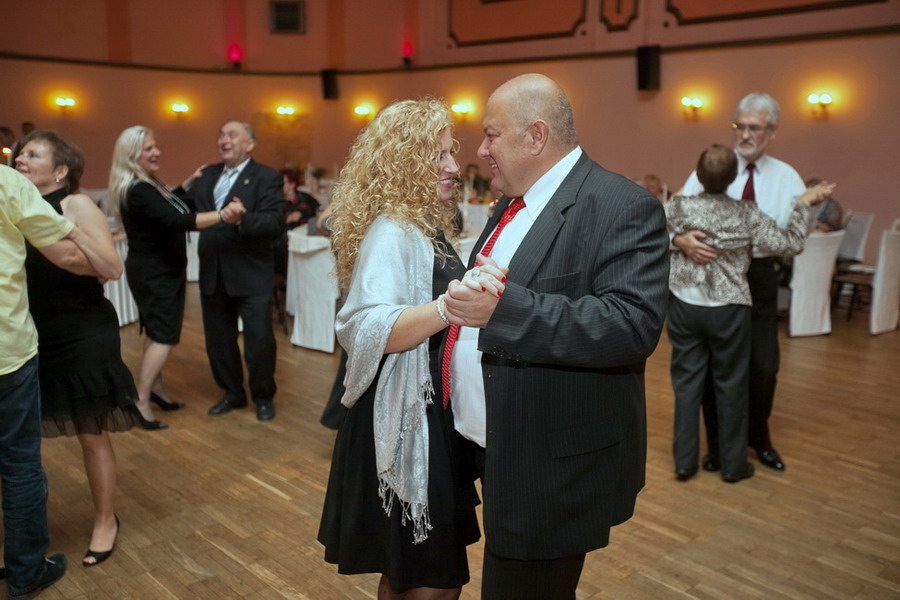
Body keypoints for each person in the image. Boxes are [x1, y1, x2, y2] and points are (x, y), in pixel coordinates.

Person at [442, 73, 670, 599]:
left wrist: (502, 310)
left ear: (536, 135)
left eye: (491, 135)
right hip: (485, 442)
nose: (482, 150)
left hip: (547, 464)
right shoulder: (512, 201)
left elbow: (631, 324)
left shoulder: (621, 205)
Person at [318, 99, 486, 599]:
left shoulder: (420, 226)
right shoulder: (393, 229)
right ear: (405, 162)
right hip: (404, 420)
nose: (453, 166)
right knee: (435, 582)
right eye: (439, 156)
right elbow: (366, 326)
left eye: (451, 153)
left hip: (425, 414)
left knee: (407, 572)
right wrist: (450, 306)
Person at [666, 144, 832, 483]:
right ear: (732, 179)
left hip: (683, 304)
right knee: (730, 385)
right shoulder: (746, 212)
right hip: (728, 309)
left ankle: (684, 462)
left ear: (699, 176)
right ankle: (733, 465)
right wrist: (802, 204)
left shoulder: (678, 207)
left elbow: (647, 228)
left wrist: (678, 239)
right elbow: (790, 244)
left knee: (686, 386)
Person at [15, 130, 138, 567]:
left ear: (61, 170)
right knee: (23, 437)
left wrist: (70, 240)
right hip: (35, 332)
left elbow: (108, 267)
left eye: (33, 154)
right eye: (20, 153)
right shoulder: (17, 206)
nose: (20, 159)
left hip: (84, 329)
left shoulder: (75, 204)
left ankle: (106, 520)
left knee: (91, 431)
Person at [676, 93, 805, 473]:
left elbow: (792, 234)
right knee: (714, 371)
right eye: (741, 126)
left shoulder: (787, 177)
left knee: (763, 369)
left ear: (772, 131)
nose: (746, 134)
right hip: (712, 278)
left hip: (760, 276)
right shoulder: (712, 167)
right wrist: (680, 240)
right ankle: (718, 448)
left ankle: (758, 439)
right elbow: (673, 215)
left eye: (755, 128)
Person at [0, 164, 99, 597]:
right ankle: (25, 573)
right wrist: (106, 262)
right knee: (20, 466)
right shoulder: (6, 183)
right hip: (7, 350)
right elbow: (65, 251)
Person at [108, 126, 245, 429]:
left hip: (157, 270)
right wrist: (222, 215)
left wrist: (187, 183)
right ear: (131, 156)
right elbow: (177, 219)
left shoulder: (146, 183)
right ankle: (141, 400)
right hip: (155, 273)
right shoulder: (138, 189)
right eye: (148, 149)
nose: (156, 152)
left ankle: (155, 390)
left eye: (154, 146)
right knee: (164, 336)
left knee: (156, 332)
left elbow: (168, 204)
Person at [179, 121, 284, 421]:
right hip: (213, 274)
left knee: (259, 343)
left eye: (232, 135)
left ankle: (263, 396)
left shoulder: (266, 177)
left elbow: (274, 222)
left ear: (249, 144)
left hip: (251, 274)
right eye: (221, 135)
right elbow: (181, 210)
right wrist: (186, 184)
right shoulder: (207, 175)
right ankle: (232, 393)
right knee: (219, 342)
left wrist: (242, 219)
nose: (224, 140)